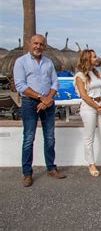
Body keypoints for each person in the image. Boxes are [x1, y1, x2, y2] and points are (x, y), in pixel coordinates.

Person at [13, 34, 66, 187]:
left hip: (48, 103)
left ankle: (51, 168)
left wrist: (48, 99)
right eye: (35, 43)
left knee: (50, 137)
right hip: (30, 103)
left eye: (41, 44)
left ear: (44, 46)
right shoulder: (20, 62)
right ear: (30, 44)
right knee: (29, 138)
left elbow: (55, 83)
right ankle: (27, 173)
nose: (38, 46)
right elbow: (20, 85)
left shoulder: (48, 62)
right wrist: (41, 98)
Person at [75, 49, 101, 177]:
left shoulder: (98, 73)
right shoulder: (80, 76)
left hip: (100, 105)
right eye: (94, 57)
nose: (96, 58)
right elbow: (84, 95)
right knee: (89, 138)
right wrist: (97, 107)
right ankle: (91, 164)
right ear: (87, 59)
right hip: (88, 107)